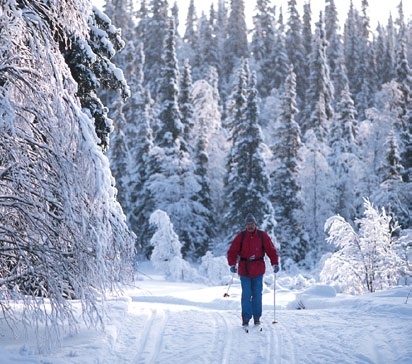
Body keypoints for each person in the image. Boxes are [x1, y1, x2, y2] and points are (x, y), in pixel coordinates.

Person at [227, 213, 279, 328]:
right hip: (244, 270)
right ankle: (245, 319)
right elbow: (232, 251)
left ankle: (257, 318)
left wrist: (275, 263)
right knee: (246, 295)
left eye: (252, 224)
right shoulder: (241, 236)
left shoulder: (262, 236)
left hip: (258, 270)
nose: (250, 226)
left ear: (255, 225)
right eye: (248, 224)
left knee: (257, 295)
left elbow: (271, 250)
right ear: (245, 225)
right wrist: (232, 263)